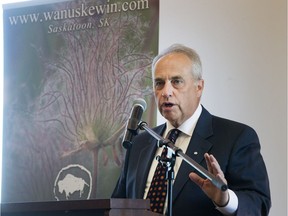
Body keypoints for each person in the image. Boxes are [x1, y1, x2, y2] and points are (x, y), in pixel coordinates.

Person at [111, 44, 271, 215]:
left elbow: (259, 205)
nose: (166, 91)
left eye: (176, 81)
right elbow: (116, 206)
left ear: (199, 87)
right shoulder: (140, 143)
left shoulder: (236, 138)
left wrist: (225, 200)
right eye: (159, 83)